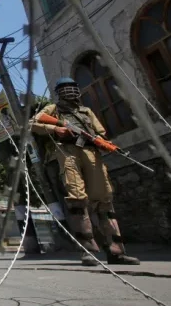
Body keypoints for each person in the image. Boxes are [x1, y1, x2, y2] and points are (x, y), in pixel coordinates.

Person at [30, 77, 140, 267]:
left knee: (104, 198)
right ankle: (88, 250)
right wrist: (57, 129)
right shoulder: (53, 110)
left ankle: (116, 251)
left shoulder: (86, 111)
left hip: (91, 152)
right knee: (77, 197)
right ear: (58, 93)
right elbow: (33, 123)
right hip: (67, 152)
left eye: (72, 87)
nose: (69, 91)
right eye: (65, 89)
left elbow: (100, 133)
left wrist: (102, 142)